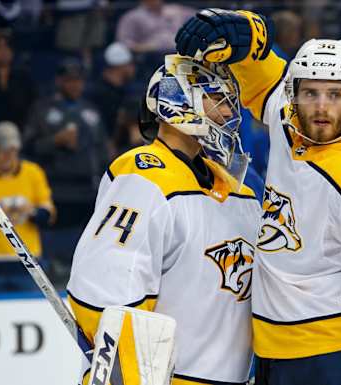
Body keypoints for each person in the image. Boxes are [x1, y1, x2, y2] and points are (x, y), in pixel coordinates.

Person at [176, 9, 341, 385]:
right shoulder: (288, 121)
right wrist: (246, 29)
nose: (322, 107)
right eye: (310, 92)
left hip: (335, 351)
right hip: (269, 347)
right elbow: (264, 76)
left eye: (335, 95)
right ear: (293, 96)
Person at [67, 54, 261, 385]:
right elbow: (107, 287)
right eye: (217, 100)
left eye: (230, 102)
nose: (230, 112)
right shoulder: (144, 175)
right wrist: (124, 370)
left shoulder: (240, 190)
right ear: (178, 103)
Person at [24, 57, 109, 288]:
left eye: (78, 80)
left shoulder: (90, 110)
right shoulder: (42, 109)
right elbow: (28, 147)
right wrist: (55, 141)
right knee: (55, 241)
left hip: (88, 189)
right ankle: (52, 277)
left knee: (88, 240)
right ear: (59, 81)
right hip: (57, 188)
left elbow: (102, 148)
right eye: (70, 80)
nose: (75, 85)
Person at [0, 121, 55, 292]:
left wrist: (30, 211)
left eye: (13, 150)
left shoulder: (32, 172)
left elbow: (48, 215)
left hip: (27, 261)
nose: (9, 155)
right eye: (4, 150)